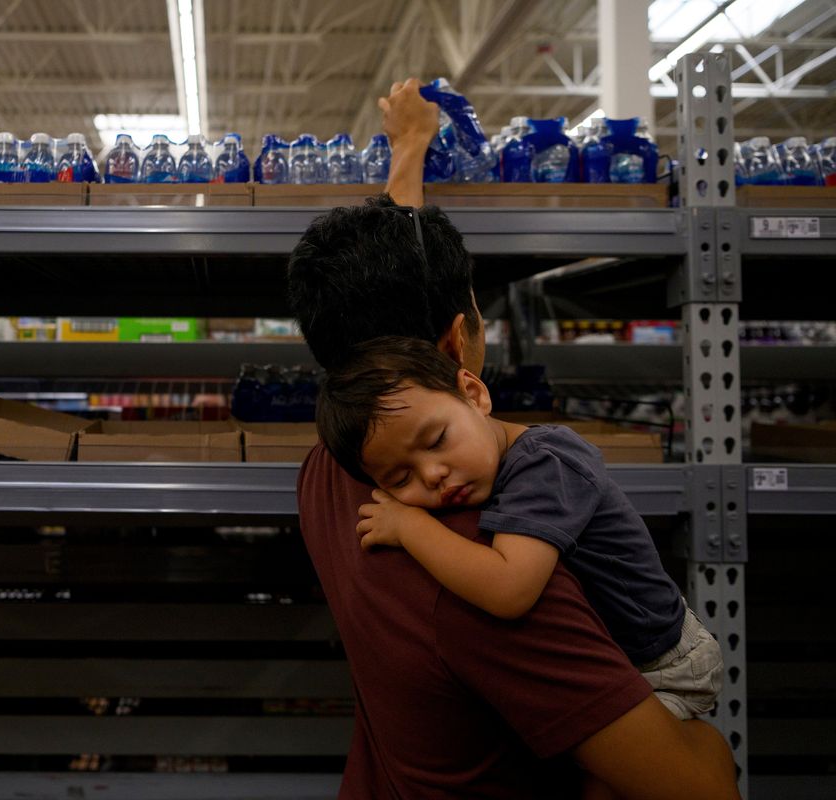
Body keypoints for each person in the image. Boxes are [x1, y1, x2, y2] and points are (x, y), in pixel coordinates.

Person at [286, 78, 739, 798]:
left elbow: (387, 312)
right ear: (459, 347)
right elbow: (696, 789)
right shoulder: (486, 568)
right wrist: (709, 745)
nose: (429, 474)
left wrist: (410, 150)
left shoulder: (334, 469)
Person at [317, 334, 723, 721]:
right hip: (619, 658)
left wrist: (409, 526)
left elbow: (509, 590)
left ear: (475, 395)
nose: (433, 474)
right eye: (401, 479)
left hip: (665, 667)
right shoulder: (486, 471)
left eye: (438, 439)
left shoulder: (546, 463)